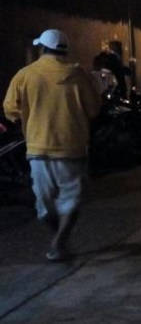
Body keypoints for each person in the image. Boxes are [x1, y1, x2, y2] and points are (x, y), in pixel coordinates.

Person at [3, 29, 101, 261]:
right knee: (71, 200)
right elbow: (94, 109)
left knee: (44, 206)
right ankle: (60, 242)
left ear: (42, 49)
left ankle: (59, 241)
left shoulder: (25, 75)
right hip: (72, 148)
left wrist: (28, 117)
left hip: (38, 149)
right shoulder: (79, 75)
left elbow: (10, 109)